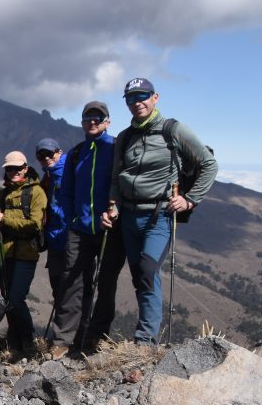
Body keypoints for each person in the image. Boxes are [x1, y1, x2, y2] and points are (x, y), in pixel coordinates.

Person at [101, 77, 218, 346]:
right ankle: (146, 337)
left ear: (156, 98)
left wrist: (189, 199)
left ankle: (146, 340)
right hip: (128, 216)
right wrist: (113, 207)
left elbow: (209, 165)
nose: (137, 102)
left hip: (159, 216)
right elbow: (117, 177)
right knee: (140, 276)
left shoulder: (173, 130)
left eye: (143, 96)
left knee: (147, 269)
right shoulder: (125, 137)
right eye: (131, 98)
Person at [50, 102, 125, 358]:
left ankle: (95, 337)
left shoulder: (116, 148)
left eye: (98, 117)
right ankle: (63, 339)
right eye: (87, 118)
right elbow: (67, 191)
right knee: (72, 283)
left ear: (107, 121)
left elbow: (126, 186)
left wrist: (115, 213)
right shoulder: (76, 153)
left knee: (106, 283)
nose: (92, 121)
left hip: (109, 229)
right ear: (82, 122)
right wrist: (73, 219)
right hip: (79, 230)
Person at [0, 151, 46, 359]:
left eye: (18, 168)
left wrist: (4, 219)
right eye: (10, 168)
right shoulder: (5, 193)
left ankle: (28, 342)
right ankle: (15, 343)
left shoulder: (36, 192)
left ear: (26, 168)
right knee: (8, 299)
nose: (14, 172)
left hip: (26, 254)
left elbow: (35, 223)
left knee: (16, 298)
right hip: (7, 253)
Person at [34, 138, 67, 298]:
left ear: (59, 152)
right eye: (41, 156)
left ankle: (78, 324)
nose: (46, 158)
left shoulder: (72, 172)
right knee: (58, 290)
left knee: (73, 292)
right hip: (54, 241)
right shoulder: (48, 177)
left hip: (71, 240)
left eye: (49, 153)